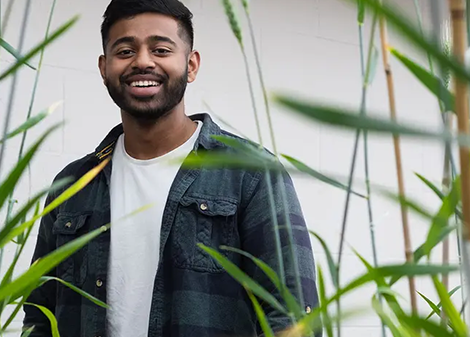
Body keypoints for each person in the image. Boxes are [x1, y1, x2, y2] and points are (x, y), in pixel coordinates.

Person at [21, 0, 319, 336]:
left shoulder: (250, 173)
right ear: (105, 68)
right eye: (125, 51)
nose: (143, 61)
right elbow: (40, 314)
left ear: (191, 65)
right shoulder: (73, 185)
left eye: (161, 49)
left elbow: (293, 318)